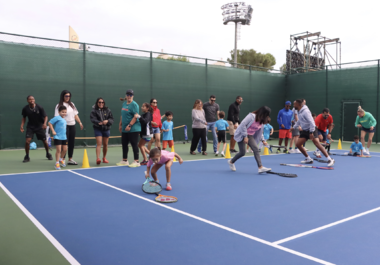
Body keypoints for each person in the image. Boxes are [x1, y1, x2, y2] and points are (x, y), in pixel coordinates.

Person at [227, 106, 272, 174]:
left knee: (256, 149)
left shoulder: (262, 121)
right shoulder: (251, 116)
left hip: (250, 135)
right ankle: (231, 162)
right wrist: (245, 136)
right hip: (241, 134)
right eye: (266, 114)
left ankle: (260, 167)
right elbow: (242, 125)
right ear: (262, 113)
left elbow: (260, 132)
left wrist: (263, 141)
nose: (266, 116)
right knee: (242, 153)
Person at [291, 99, 335, 166]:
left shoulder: (305, 112)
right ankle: (308, 159)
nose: (293, 105)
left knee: (317, 144)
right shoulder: (299, 111)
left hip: (312, 130)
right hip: (305, 130)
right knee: (298, 144)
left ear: (298, 105)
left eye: (294, 104)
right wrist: (293, 127)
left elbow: (312, 122)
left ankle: (330, 159)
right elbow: (299, 121)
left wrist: (311, 132)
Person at [55, 90, 84, 165]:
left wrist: (80, 122)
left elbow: (75, 115)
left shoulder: (72, 104)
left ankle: (70, 159)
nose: (68, 97)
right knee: (65, 143)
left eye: (69, 96)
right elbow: (57, 117)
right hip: (64, 127)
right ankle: (62, 159)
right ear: (63, 96)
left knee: (71, 143)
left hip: (72, 125)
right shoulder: (59, 106)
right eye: (66, 96)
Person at [20, 95, 53, 162]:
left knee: (44, 141)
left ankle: (48, 153)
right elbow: (24, 117)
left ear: (34, 100)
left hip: (39, 126)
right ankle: (27, 156)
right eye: (30, 99)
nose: (32, 100)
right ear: (27, 101)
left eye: (33, 99)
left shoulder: (39, 107)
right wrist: (22, 125)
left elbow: (45, 116)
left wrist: (44, 124)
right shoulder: (25, 108)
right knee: (27, 142)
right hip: (30, 127)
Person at [118, 89, 141, 167]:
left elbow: (135, 116)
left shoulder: (135, 105)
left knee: (134, 144)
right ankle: (124, 160)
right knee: (124, 144)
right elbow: (122, 115)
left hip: (133, 128)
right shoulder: (124, 104)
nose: (129, 96)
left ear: (133, 96)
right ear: (126, 95)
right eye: (128, 95)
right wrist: (120, 124)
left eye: (130, 95)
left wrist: (129, 125)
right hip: (125, 128)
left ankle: (136, 161)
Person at [90, 97, 114, 165]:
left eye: (102, 102)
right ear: (97, 103)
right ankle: (98, 158)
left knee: (105, 144)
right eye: (99, 102)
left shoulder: (108, 110)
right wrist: (98, 122)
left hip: (106, 129)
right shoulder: (94, 111)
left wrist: (107, 121)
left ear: (104, 103)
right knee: (99, 143)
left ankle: (104, 158)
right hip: (98, 128)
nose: (101, 103)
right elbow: (92, 119)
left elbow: (112, 119)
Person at [48, 106, 68, 170]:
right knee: (59, 150)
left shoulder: (64, 119)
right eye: (62, 112)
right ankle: (57, 163)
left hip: (64, 137)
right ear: (59, 112)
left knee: (65, 149)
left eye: (65, 112)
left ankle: (61, 159)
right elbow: (49, 123)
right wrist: (53, 131)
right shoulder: (57, 118)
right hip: (57, 137)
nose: (64, 113)